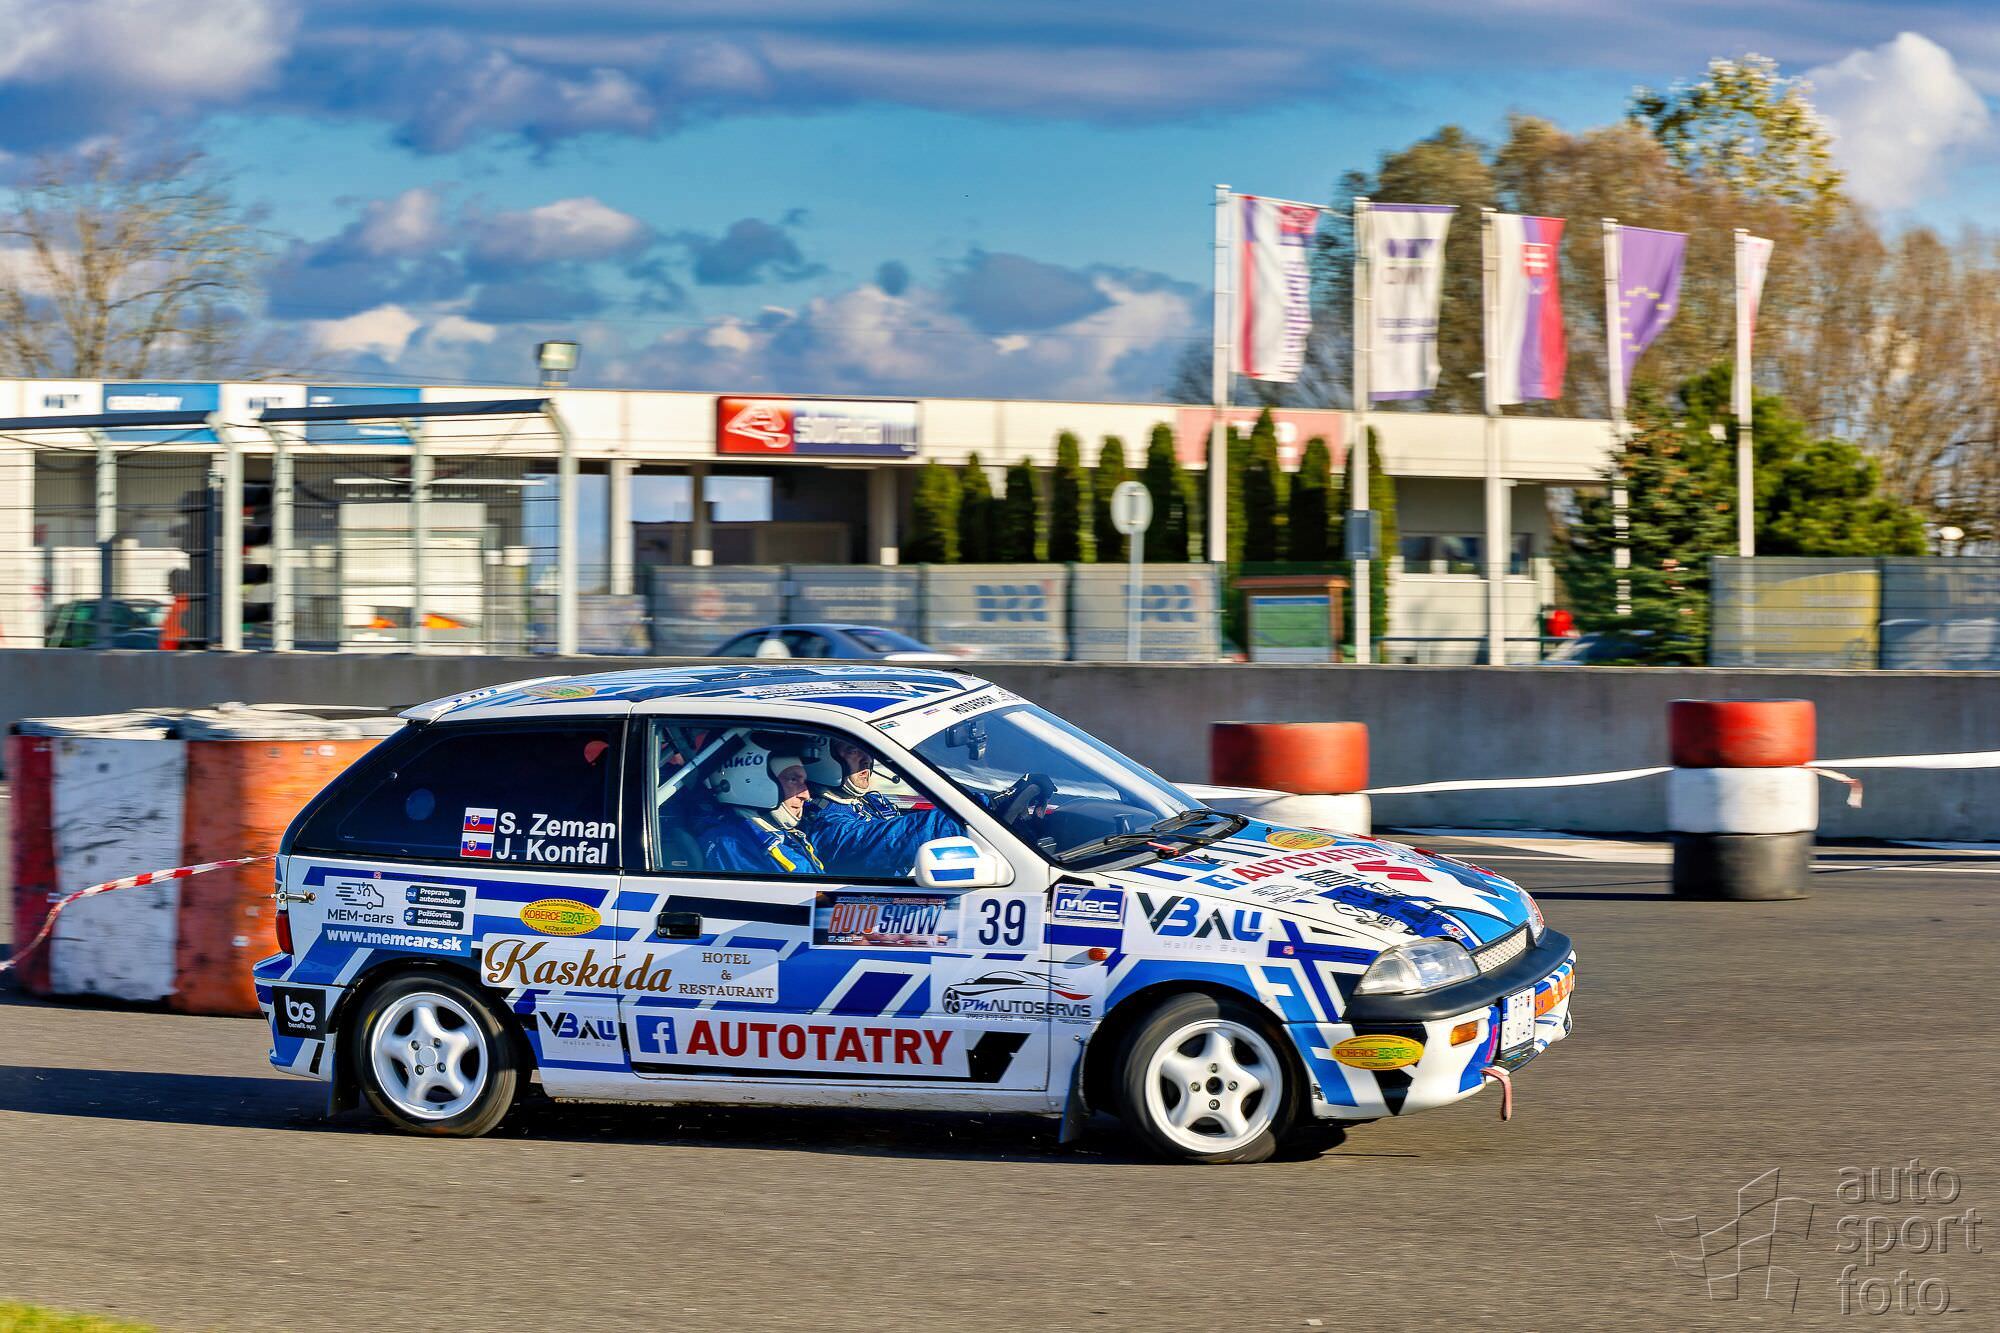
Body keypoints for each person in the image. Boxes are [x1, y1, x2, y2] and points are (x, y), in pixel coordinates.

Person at [801, 736, 969, 877]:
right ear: (825, 759)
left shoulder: (867, 800)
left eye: (866, 750)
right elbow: (895, 838)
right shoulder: (824, 825)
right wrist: (966, 817)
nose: (867, 760)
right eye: (853, 750)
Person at [699, 740, 827, 874]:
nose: (806, 795)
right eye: (793, 780)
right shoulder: (731, 845)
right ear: (751, 782)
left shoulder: (777, 834)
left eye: (803, 782)